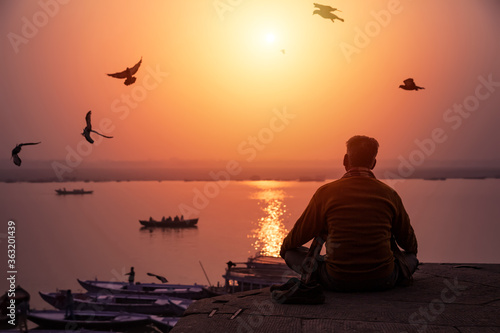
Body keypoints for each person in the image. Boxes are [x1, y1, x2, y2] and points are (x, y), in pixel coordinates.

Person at [280, 135, 418, 292]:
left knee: (291, 253)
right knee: (412, 259)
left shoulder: (325, 193)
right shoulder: (390, 195)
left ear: (345, 160)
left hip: (336, 280)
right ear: (373, 163)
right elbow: (410, 245)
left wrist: (284, 250)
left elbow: (296, 238)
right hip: (384, 279)